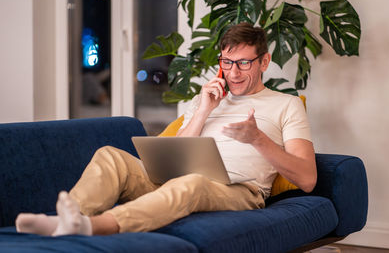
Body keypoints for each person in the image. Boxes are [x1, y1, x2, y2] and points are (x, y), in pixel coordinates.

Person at [15, 22, 316, 236]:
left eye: (244, 63)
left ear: (264, 62)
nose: (234, 73)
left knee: (193, 183)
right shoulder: (208, 98)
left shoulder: (286, 105)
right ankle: (68, 220)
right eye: (227, 62)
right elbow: (177, 152)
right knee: (111, 156)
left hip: (241, 191)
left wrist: (257, 138)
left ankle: (94, 226)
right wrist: (203, 111)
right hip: (179, 180)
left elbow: (307, 179)